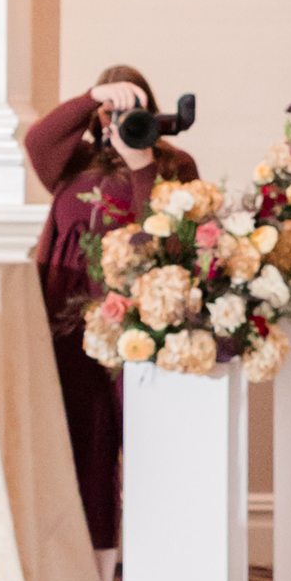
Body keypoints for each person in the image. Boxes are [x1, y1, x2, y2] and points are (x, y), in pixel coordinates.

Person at [26, 70, 199, 556]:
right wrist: (91, 97)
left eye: (131, 110)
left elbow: (166, 240)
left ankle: (154, 558)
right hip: (67, 319)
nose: (119, 120)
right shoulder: (71, 161)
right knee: (86, 443)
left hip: (140, 322)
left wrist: (141, 165)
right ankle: (93, 570)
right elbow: (38, 140)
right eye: (110, 112)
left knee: (146, 439)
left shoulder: (175, 164)